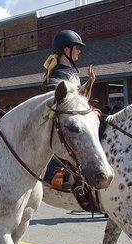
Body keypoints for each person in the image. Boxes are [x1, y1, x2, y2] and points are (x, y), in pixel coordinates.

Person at [42, 29, 94, 183]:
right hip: (57, 118)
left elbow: (77, 97)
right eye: (77, 47)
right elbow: (60, 100)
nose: (79, 51)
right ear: (66, 50)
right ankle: (52, 174)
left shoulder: (71, 71)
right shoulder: (57, 73)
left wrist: (89, 83)